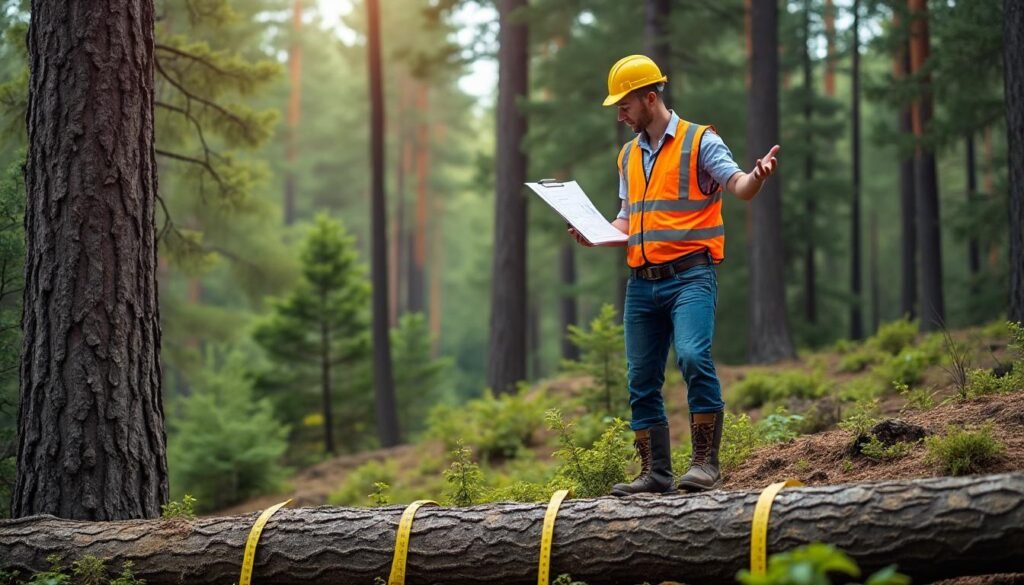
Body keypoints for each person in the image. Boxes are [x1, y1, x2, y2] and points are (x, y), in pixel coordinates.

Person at [569, 54, 780, 496]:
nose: (620, 114)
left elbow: (738, 186)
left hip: (690, 278)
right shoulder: (628, 155)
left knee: (691, 356)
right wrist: (596, 234)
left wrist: (758, 177)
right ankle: (655, 474)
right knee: (641, 379)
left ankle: (705, 465)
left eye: (624, 105)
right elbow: (628, 220)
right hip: (641, 285)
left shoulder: (700, 141)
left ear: (650, 98)